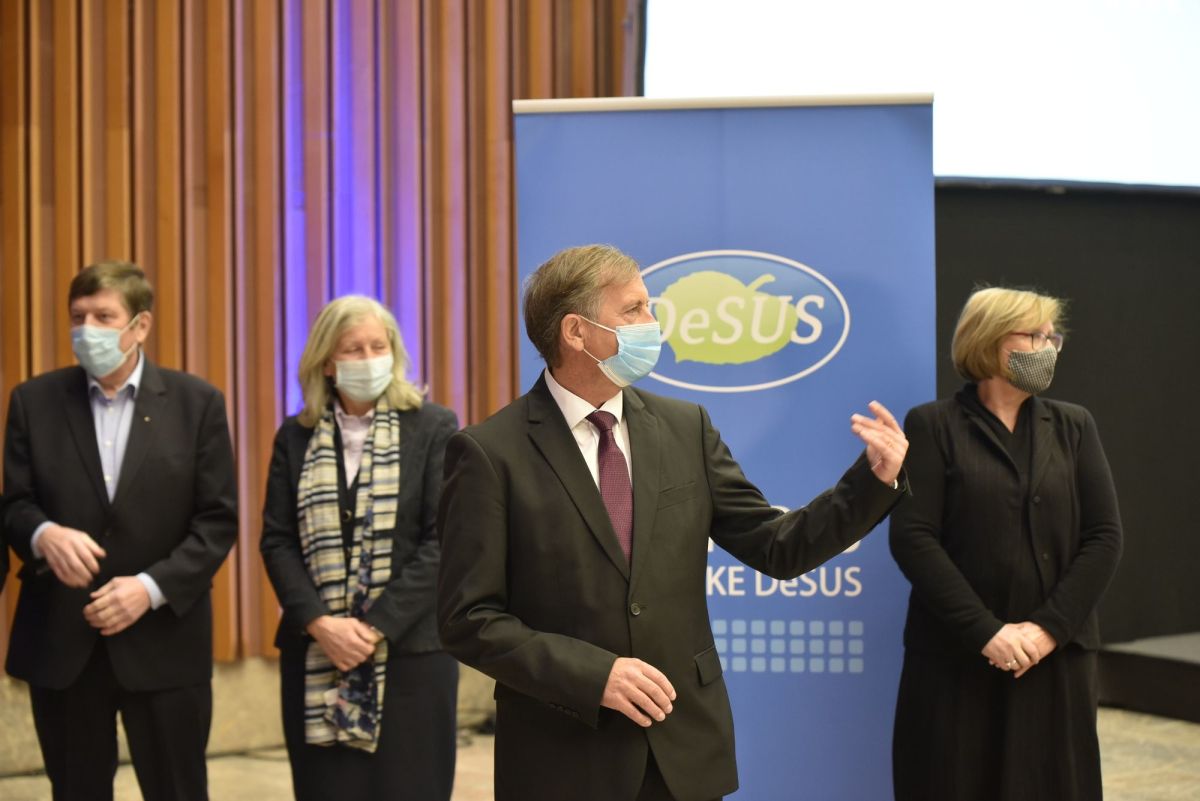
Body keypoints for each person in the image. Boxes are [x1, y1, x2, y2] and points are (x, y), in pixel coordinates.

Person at [437, 244, 908, 801]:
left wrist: (872, 482)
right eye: (633, 309)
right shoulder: (489, 453)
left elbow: (778, 546)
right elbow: (470, 619)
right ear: (576, 332)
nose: (652, 322)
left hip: (683, 750)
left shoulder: (686, 428)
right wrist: (594, 675)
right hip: (563, 756)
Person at [2, 261, 238, 801]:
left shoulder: (197, 403)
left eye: (104, 317)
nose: (88, 330)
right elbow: (14, 504)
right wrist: (42, 534)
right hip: (64, 641)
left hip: (164, 641)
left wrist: (149, 589)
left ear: (140, 325)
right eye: (78, 317)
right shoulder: (33, 401)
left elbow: (216, 520)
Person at [889, 287, 1122, 801]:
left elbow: (1104, 536)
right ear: (990, 339)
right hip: (956, 657)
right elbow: (913, 538)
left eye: (1052, 338)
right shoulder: (932, 425)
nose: (1048, 348)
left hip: (1054, 658)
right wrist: (987, 632)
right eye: (1035, 336)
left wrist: (1047, 629)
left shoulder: (1074, 425)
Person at [260, 295, 459, 801]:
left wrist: (371, 629)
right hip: (316, 652)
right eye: (353, 349)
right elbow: (277, 540)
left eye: (378, 346)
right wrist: (320, 623)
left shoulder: (433, 426)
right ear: (327, 362)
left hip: (412, 656)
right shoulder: (295, 437)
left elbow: (442, 541)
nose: (369, 358)